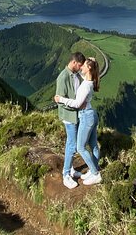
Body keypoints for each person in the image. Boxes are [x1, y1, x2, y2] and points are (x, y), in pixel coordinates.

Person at [55, 57, 102, 186]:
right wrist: (91, 60)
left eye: (84, 65)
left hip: (86, 116)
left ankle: (95, 173)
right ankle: (94, 170)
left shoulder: (86, 85)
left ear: (89, 68)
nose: (81, 67)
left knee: (80, 147)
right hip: (91, 113)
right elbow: (81, 71)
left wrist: (61, 99)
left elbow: (76, 103)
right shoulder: (89, 80)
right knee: (93, 144)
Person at [55, 52, 86, 189]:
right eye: (79, 65)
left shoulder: (76, 74)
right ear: (74, 62)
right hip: (69, 116)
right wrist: (76, 104)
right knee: (72, 145)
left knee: (71, 143)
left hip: (75, 114)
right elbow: (60, 101)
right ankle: (66, 174)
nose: (80, 68)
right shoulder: (63, 77)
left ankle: (71, 169)